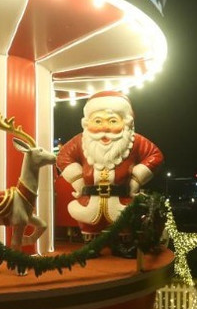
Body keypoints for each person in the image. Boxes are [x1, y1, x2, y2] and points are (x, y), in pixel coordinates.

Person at [56, 91, 163, 255]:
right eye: (97, 121)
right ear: (87, 122)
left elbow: (155, 155)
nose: (104, 127)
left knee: (124, 226)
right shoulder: (80, 141)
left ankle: (122, 245)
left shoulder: (134, 141)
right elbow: (63, 157)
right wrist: (78, 180)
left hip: (122, 197)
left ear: (125, 122)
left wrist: (136, 179)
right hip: (90, 198)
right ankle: (91, 246)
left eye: (113, 121)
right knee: (90, 226)